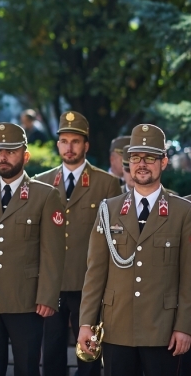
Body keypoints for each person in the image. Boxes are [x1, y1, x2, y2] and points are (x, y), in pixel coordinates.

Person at [78, 124, 191, 376]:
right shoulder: (109, 209)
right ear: (127, 162)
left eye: (150, 158)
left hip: (163, 330)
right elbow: (95, 272)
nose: (142, 164)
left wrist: (184, 326)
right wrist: (86, 323)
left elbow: (188, 277)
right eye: (136, 158)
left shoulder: (183, 212)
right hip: (117, 327)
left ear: (163, 162)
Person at [0, 122, 65, 376]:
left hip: (26, 301)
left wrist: (47, 296)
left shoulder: (45, 195)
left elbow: (53, 252)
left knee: (27, 368)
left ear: (25, 156)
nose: (3, 157)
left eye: (10, 151)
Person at [34, 112, 122, 376]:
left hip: (89, 285)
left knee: (89, 354)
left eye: (75, 141)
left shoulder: (106, 183)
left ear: (86, 145)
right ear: (58, 144)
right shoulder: (41, 182)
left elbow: (114, 237)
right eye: (64, 141)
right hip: (52, 285)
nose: (69, 147)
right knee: (51, 352)